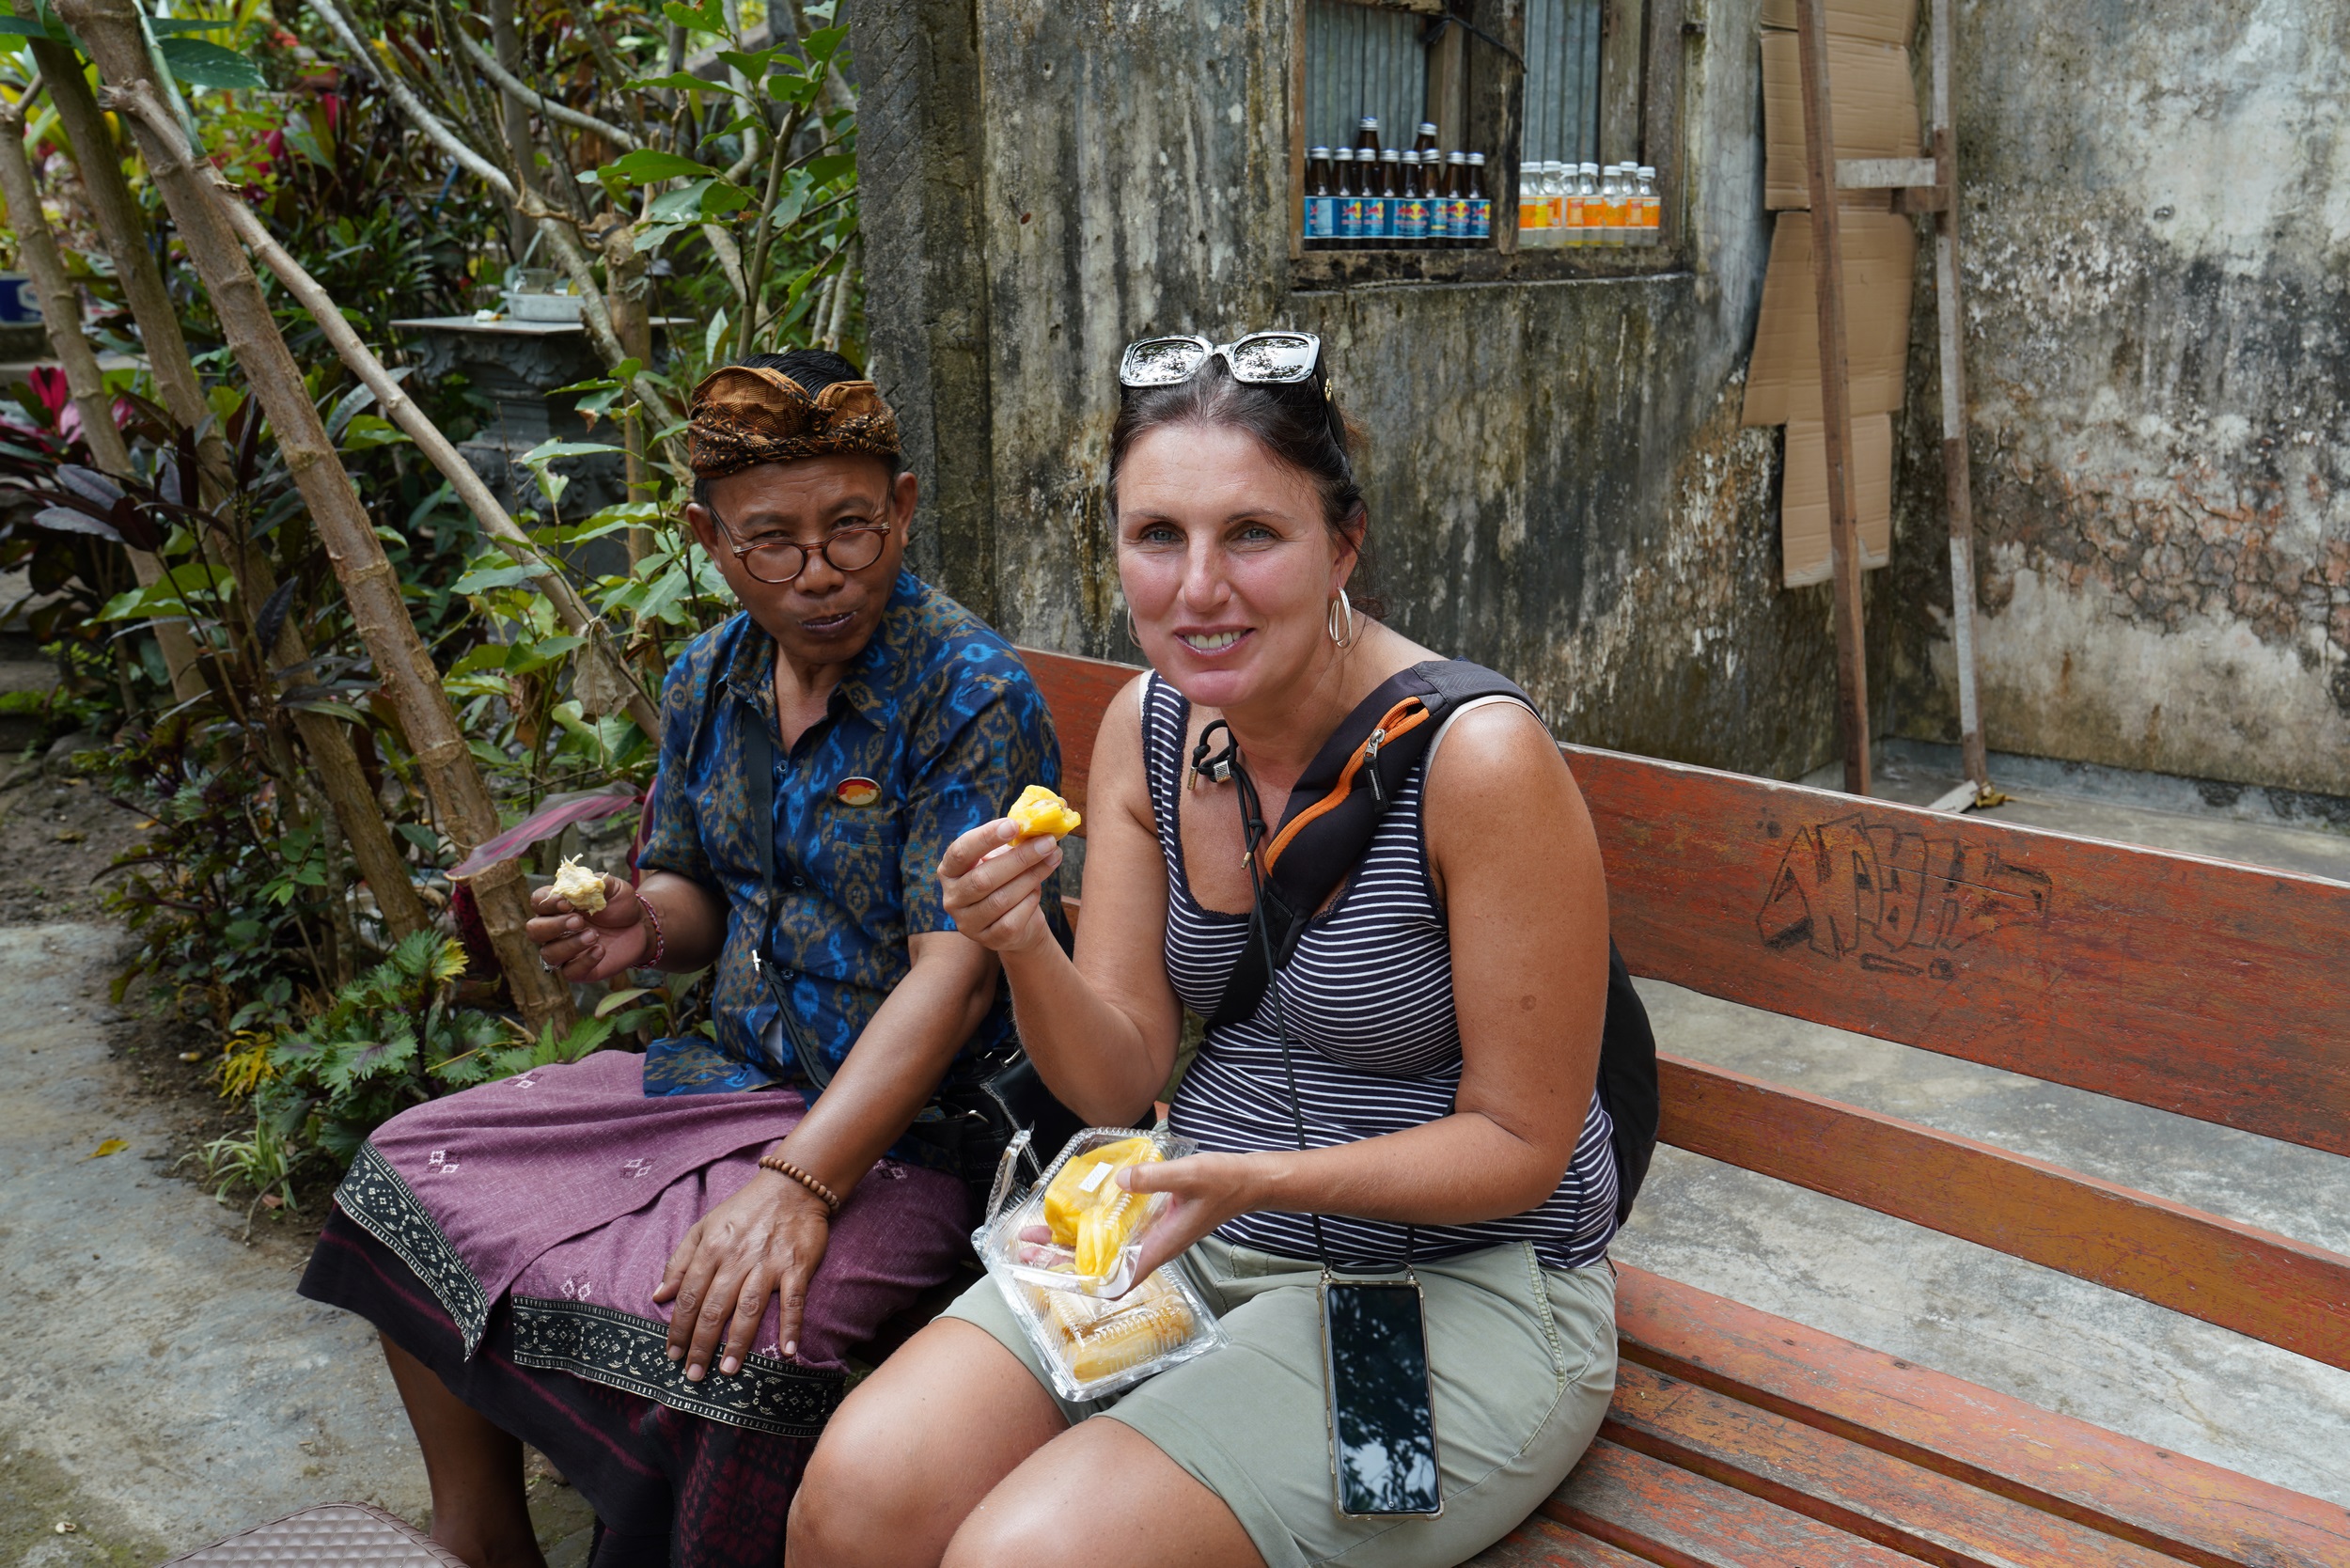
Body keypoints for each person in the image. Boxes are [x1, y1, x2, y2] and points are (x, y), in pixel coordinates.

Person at [789, 330, 1624, 1568]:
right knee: (855, 1497)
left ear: (1343, 544)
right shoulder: (1151, 725)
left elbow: (1519, 1148)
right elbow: (1118, 1080)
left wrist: (1253, 1181)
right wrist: (1021, 941)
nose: (1198, 589)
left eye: (1252, 534)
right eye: (1157, 536)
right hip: (1193, 1224)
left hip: (1456, 1285)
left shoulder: (1477, 759)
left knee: (1030, 1558)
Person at [298, 349, 1065, 1568]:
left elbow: (956, 974)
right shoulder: (709, 679)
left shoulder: (965, 693)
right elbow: (699, 887)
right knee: (405, 1173)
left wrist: (800, 1184)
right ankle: (481, 1537)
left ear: (904, 507)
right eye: (772, 541)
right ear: (709, 538)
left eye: (851, 526)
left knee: (738, 1336)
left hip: (916, 1130)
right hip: (727, 1079)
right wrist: (642, 925)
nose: (819, 571)